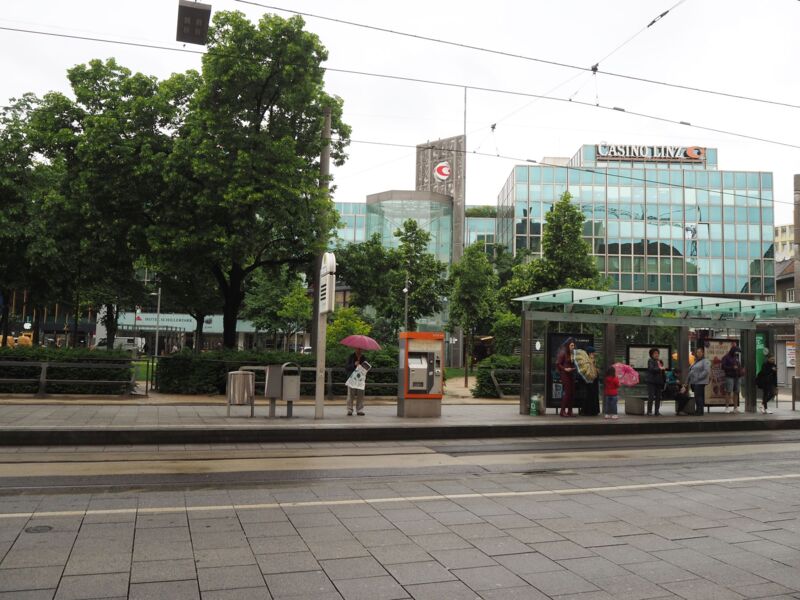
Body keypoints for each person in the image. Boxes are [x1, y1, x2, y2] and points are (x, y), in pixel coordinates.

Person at [687, 346, 711, 416]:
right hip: (694, 382)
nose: (698, 353)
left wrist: (698, 377)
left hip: (700, 382)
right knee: (697, 396)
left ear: (703, 353)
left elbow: (706, 371)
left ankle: (700, 411)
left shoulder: (705, 361)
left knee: (699, 396)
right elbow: (691, 370)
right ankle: (698, 410)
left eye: (700, 352)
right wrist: (687, 381)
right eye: (697, 352)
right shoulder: (696, 361)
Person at [556, 337, 577, 418]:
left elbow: (575, 363)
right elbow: (558, 363)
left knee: (572, 393)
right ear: (568, 345)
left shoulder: (573, 353)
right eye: (571, 345)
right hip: (565, 374)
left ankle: (570, 411)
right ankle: (562, 411)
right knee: (567, 392)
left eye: (573, 345)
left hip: (571, 373)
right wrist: (565, 369)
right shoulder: (563, 352)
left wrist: (574, 368)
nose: (573, 347)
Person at [578, 345, 600, 416]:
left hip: (594, 379)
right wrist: (591, 362)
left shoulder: (593, 359)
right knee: (589, 395)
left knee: (594, 394)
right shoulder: (586, 360)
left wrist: (596, 369)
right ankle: (587, 411)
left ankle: (594, 411)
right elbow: (585, 369)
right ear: (589, 353)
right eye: (592, 352)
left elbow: (594, 368)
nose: (594, 354)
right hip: (589, 379)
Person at [721, 342, 742, 414]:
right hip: (729, 376)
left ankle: (735, 408)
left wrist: (741, 371)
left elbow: (738, 366)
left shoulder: (736, 358)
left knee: (736, 392)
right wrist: (732, 367)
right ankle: (727, 407)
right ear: (733, 351)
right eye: (736, 352)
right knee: (728, 391)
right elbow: (723, 366)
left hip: (737, 376)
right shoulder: (726, 357)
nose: (737, 353)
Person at [345, 348, 367, 416]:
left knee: (361, 395)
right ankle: (349, 409)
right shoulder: (351, 356)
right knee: (350, 395)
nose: (359, 350)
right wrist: (354, 364)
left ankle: (360, 410)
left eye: (360, 349)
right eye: (358, 349)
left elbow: (366, 368)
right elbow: (347, 367)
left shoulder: (364, 358)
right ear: (355, 349)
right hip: (352, 378)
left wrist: (361, 366)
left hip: (360, 379)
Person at [646, 348, 666, 416]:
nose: (656, 354)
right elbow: (651, 369)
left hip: (659, 382)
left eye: (657, 353)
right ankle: (649, 411)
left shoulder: (660, 361)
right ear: (651, 354)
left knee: (658, 397)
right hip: (652, 382)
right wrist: (660, 368)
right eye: (655, 353)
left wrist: (664, 378)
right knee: (651, 397)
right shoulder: (650, 361)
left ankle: (657, 411)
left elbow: (662, 371)